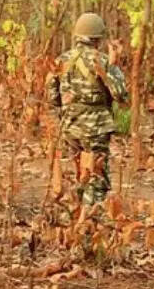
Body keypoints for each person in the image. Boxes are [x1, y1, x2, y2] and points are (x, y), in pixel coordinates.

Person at [46, 12, 129, 210]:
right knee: (96, 178)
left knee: (80, 173)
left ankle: (76, 214)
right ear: (98, 38)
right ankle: (90, 221)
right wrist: (113, 66)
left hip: (70, 126)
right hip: (96, 128)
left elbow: (52, 97)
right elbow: (121, 96)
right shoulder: (102, 61)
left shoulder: (62, 60)